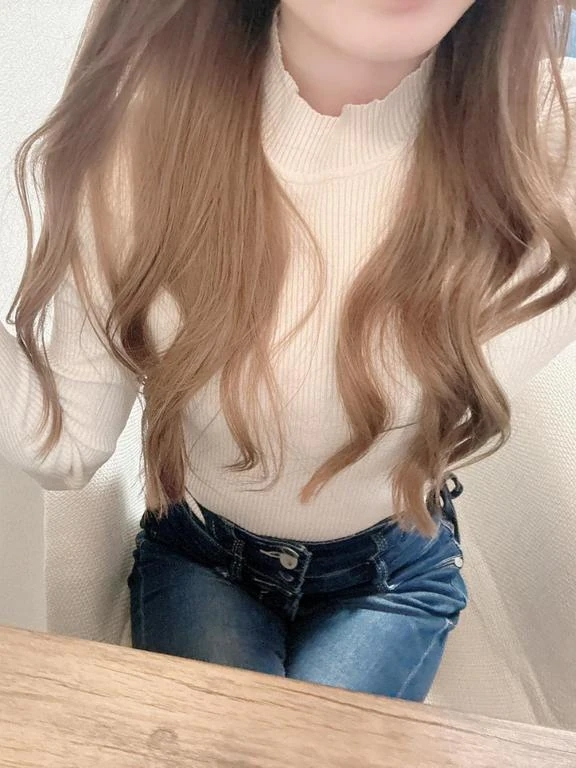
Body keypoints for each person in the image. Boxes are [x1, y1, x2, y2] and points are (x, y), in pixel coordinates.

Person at [1, 0, 575, 703]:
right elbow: (65, 444)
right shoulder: (140, 141)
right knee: (232, 750)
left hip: (393, 571)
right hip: (202, 555)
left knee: (307, 750)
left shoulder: (550, 149)